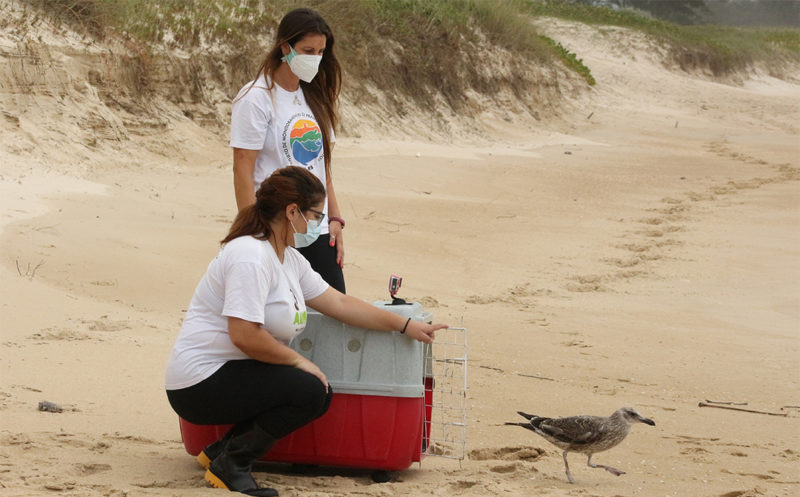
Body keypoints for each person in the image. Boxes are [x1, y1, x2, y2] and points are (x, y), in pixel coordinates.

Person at [165, 167, 447, 497]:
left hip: (230, 372)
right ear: (292, 211)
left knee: (313, 388)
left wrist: (405, 324)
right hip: (199, 383)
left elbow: (340, 305)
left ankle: (220, 452)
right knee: (310, 390)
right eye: (316, 215)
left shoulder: (289, 259)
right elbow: (244, 334)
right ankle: (233, 464)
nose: (318, 224)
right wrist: (299, 363)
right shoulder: (250, 256)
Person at [230, 7, 346, 294]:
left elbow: (323, 168)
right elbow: (243, 168)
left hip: (317, 229)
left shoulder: (314, 97)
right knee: (279, 319)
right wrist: (253, 232)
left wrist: (335, 219)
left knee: (334, 318)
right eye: (308, 50)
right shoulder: (256, 97)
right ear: (285, 46)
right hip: (276, 227)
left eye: (320, 52)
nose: (315, 59)